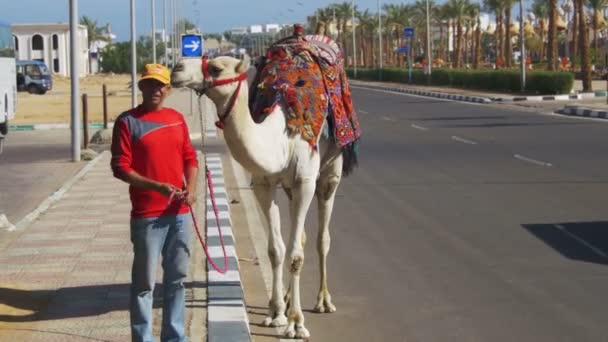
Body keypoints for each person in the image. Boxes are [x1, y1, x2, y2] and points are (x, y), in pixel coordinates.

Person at [110, 63, 198, 342]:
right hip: (147, 216)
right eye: (150, 84)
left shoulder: (176, 118)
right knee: (144, 284)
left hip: (180, 214)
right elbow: (120, 168)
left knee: (177, 281)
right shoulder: (127, 122)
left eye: (161, 85)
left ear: (168, 89)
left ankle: (175, 336)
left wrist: (192, 190)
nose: (155, 90)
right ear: (141, 87)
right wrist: (157, 186)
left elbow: (190, 158)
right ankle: (143, 338)